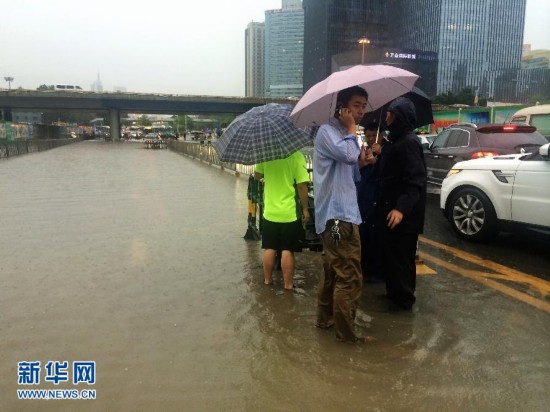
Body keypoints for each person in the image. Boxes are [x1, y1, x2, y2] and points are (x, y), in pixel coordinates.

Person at [313, 85, 370, 343]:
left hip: (339, 216)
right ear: (343, 108)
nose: (361, 111)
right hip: (338, 219)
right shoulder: (328, 132)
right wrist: (352, 132)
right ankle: (346, 335)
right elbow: (347, 156)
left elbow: (350, 170)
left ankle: (325, 320)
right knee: (350, 275)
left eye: (363, 106)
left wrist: (363, 162)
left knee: (333, 270)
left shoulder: (341, 134)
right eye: (356, 105)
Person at [376, 97, 427, 310]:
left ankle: (404, 300)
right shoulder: (395, 141)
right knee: (391, 258)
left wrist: (400, 209)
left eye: (391, 114)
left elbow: (415, 180)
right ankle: (393, 293)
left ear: (400, 117)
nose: (387, 118)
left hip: (402, 218)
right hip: (390, 213)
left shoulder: (409, 143)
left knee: (402, 260)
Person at [254, 151, 310, 290]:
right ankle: (288, 285)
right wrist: (305, 209)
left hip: (270, 211)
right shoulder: (297, 156)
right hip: (288, 212)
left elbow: (257, 175)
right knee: (287, 249)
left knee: (269, 247)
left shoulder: (265, 154)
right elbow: (302, 186)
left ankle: (267, 281)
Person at [357, 124, 385, 283]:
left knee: (376, 238)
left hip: (378, 200)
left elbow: (390, 173)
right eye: (368, 136)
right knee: (364, 235)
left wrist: (378, 160)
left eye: (374, 135)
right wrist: (363, 163)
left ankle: (377, 272)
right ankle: (365, 269)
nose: (371, 139)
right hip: (363, 199)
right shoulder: (364, 150)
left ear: (381, 135)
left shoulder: (386, 151)